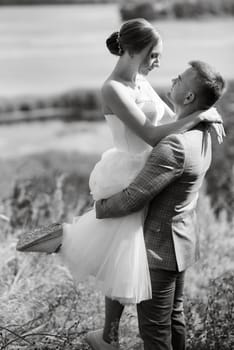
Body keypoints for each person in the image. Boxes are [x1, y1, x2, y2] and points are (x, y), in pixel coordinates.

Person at [16, 17, 223, 336]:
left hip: (149, 166)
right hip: (128, 170)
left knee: (121, 254)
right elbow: (152, 134)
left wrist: (205, 113)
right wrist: (199, 114)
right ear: (135, 52)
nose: (158, 63)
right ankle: (62, 239)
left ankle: (108, 334)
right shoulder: (112, 88)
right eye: (154, 56)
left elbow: (170, 118)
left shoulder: (140, 79)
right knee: (116, 244)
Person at [88, 60, 226, 350]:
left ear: (188, 97)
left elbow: (131, 199)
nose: (173, 79)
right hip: (182, 242)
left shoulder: (174, 145)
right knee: (175, 320)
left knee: (154, 333)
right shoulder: (202, 133)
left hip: (158, 252)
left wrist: (98, 208)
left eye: (180, 79)